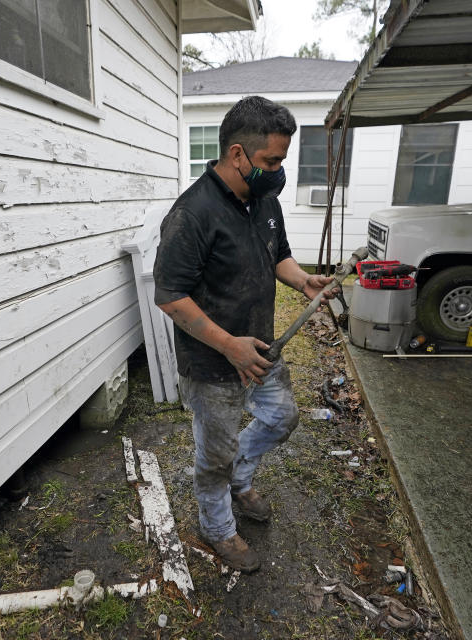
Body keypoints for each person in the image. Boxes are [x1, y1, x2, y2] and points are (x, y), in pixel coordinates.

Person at [153, 96, 337, 572]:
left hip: (260, 350)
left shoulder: (264, 199)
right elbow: (170, 296)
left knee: (280, 419)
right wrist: (228, 345)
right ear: (237, 154)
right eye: (271, 161)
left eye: (281, 161)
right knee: (215, 454)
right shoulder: (192, 214)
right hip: (214, 362)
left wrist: (302, 280)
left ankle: (242, 476)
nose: (278, 171)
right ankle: (217, 527)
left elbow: (279, 254)